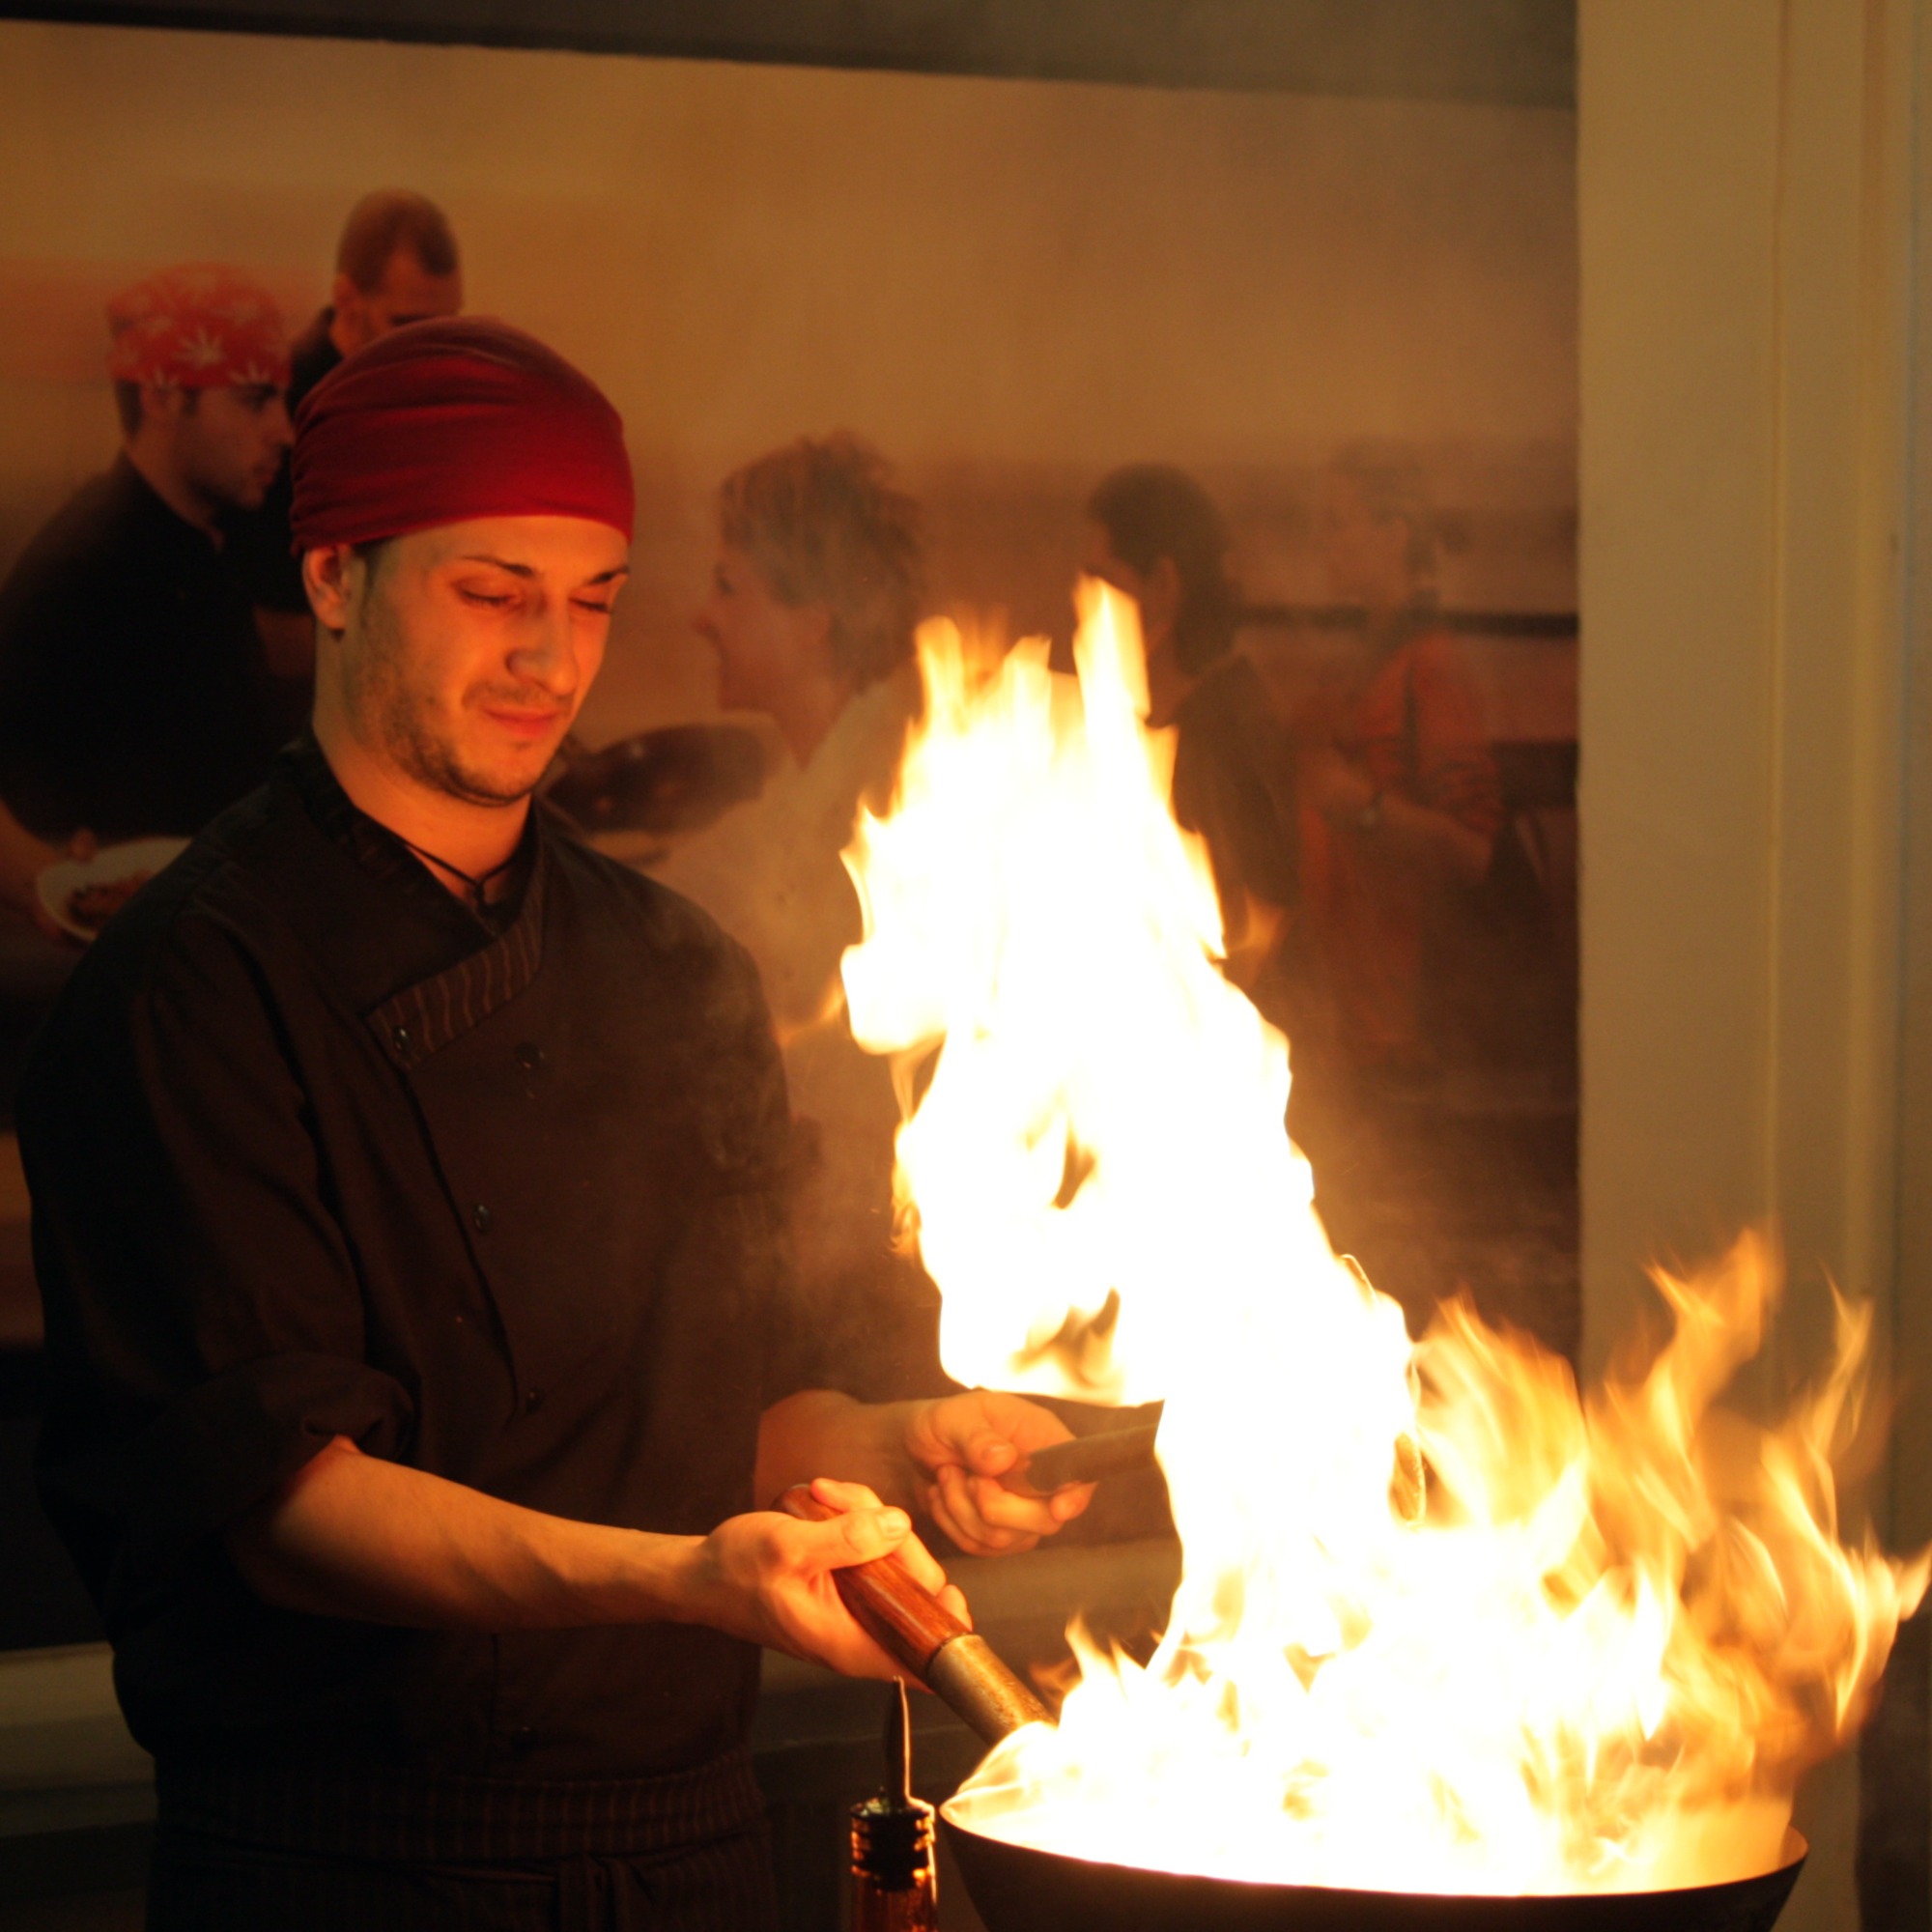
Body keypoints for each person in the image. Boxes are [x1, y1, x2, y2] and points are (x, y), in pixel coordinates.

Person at [23, 321, 1086, 1931]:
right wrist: (687, 1579)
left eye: (592, 598)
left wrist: (898, 1450)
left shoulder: (676, 969)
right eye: (493, 591)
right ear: (335, 576)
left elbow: (727, 1410)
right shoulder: (193, 989)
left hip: (694, 1851)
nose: (555, 657)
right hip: (345, 1875)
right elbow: (291, 1502)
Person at [651, 435, 929, 1394]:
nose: (703, 615)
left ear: (814, 621)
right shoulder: (816, 777)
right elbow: (706, 878)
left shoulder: (895, 797)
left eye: (730, 587)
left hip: (881, 1276)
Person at [0, 263, 307, 917]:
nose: (284, 430)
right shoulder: (86, 567)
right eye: (255, 399)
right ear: (162, 399)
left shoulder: (201, 539)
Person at [1293, 441, 1503, 1080]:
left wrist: (1358, 805)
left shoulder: (1432, 666)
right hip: (1361, 1020)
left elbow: (1474, 852)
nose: (1323, 542)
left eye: (1339, 522)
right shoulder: (1371, 665)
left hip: (1417, 1033)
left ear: (1394, 533)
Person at [1082, 464, 1299, 991]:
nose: (1086, 609)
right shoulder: (1138, 730)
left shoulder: (1228, 734)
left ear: (1163, 586)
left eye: (1103, 584)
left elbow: (1255, 930)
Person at [229, 188, 463, 647]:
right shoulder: (281, 408)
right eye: (408, 324)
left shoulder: (426, 392)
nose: (432, 348)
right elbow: (272, 616)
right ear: (346, 298)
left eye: (447, 324)